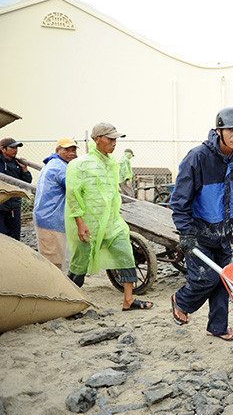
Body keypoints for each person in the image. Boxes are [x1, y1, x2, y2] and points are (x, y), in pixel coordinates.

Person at [169, 107, 233, 341]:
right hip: (199, 231)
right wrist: (185, 232)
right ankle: (180, 301)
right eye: (231, 130)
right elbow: (179, 200)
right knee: (207, 278)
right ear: (219, 131)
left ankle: (217, 327)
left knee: (224, 280)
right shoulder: (198, 157)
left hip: (224, 231)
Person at [65, 123, 153, 311]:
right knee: (80, 261)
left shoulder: (113, 162)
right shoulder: (80, 165)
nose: (114, 143)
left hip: (112, 222)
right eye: (110, 139)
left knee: (126, 253)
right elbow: (73, 195)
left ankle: (128, 300)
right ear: (97, 139)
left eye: (115, 139)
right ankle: (69, 301)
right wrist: (80, 223)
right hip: (89, 223)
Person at [33, 138, 79, 268]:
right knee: (53, 262)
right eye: (67, 150)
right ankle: (52, 288)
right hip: (50, 219)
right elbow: (74, 189)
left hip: (50, 217)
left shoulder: (56, 163)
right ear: (57, 151)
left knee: (55, 257)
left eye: (73, 150)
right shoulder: (60, 168)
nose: (71, 153)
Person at [0, 137, 32, 240]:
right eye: (12, 148)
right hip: (1, 205)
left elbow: (27, 182)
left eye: (16, 148)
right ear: (2, 149)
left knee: (15, 238)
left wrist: (25, 169)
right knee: (2, 236)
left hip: (14, 206)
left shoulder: (17, 163)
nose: (15, 150)